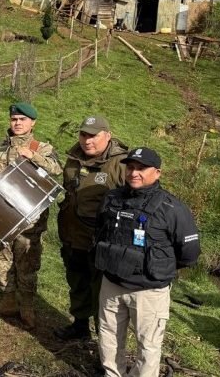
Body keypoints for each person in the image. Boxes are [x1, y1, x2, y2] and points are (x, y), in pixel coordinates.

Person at [95, 147, 200, 376]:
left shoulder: (172, 208)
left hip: (149, 291)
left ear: (158, 172)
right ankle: (113, 373)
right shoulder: (112, 198)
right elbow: (100, 230)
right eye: (130, 167)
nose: (134, 173)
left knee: (148, 345)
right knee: (108, 335)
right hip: (111, 283)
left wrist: (155, 267)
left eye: (141, 169)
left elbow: (189, 253)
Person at [0, 103, 62, 329]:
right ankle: (8, 300)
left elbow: (56, 170)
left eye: (23, 119)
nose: (17, 123)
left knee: (27, 265)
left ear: (33, 122)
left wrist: (34, 157)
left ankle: (27, 306)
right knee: (3, 262)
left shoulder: (42, 148)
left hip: (28, 222)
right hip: (0, 218)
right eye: (14, 119)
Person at [55, 115, 127, 340]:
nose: (87, 140)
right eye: (83, 134)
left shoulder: (122, 164)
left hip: (101, 243)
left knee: (103, 296)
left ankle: (105, 347)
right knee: (77, 282)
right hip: (73, 236)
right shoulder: (73, 157)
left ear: (107, 135)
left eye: (93, 135)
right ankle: (80, 325)